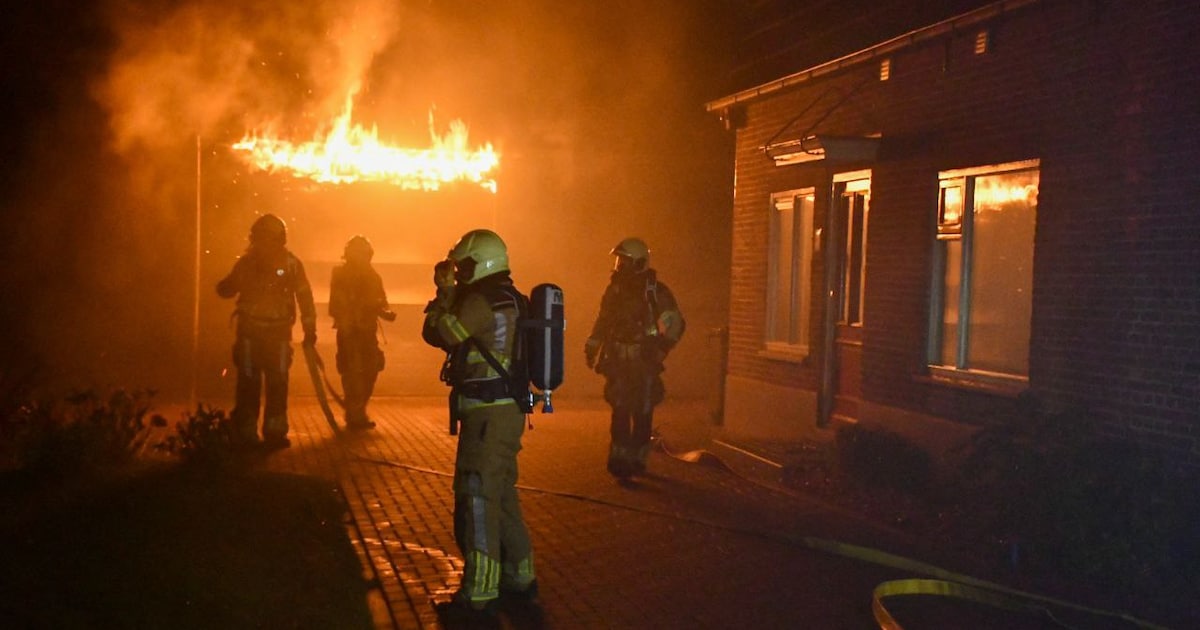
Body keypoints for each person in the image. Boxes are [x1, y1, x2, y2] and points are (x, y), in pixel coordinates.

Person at [422, 229, 538, 617]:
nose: (459, 272)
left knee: (477, 497)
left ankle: (479, 593)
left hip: (487, 416)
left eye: (464, 266)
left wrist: (442, 294)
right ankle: (520, 576)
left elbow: (441, 333)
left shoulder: (480, 299)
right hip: (506, 413)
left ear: (480, 263)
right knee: (501, 494)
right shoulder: (512, 297)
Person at [584, 237, 685, 478]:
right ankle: (619, 458)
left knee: (642, 411)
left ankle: (638, 458)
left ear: (639, 263)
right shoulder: (614, 290)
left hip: (643, 362)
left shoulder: (656, 292)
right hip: (618, 360)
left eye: (624, 262)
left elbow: (676, 324)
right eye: (619, 261)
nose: (619, 267)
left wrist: (661, 349)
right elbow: (603, 319)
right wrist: (592, 345)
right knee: (619, 409)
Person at [216, 213, 317, 449]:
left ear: (278, 239)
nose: (262, 243)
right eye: (259, 238)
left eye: (266, 238)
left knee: (277, 383)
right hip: (252, 335)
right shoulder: (248, 264)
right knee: (251, 383)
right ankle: (248, 430)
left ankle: (274, 430)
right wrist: (226, 286)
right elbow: (228, 288)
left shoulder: (289, 265)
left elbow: (304, 297)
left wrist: (310, 328)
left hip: (277, 336)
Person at [329, 235, 396, 430]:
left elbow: (381, 301)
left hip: (367, 332)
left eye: (364, 254)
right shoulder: (340, 275)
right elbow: (336, 304)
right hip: (348, 332)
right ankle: (355, 413)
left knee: (371, 370)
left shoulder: (373, 276)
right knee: (351, 373)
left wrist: (385, 312)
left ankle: (357, 409)